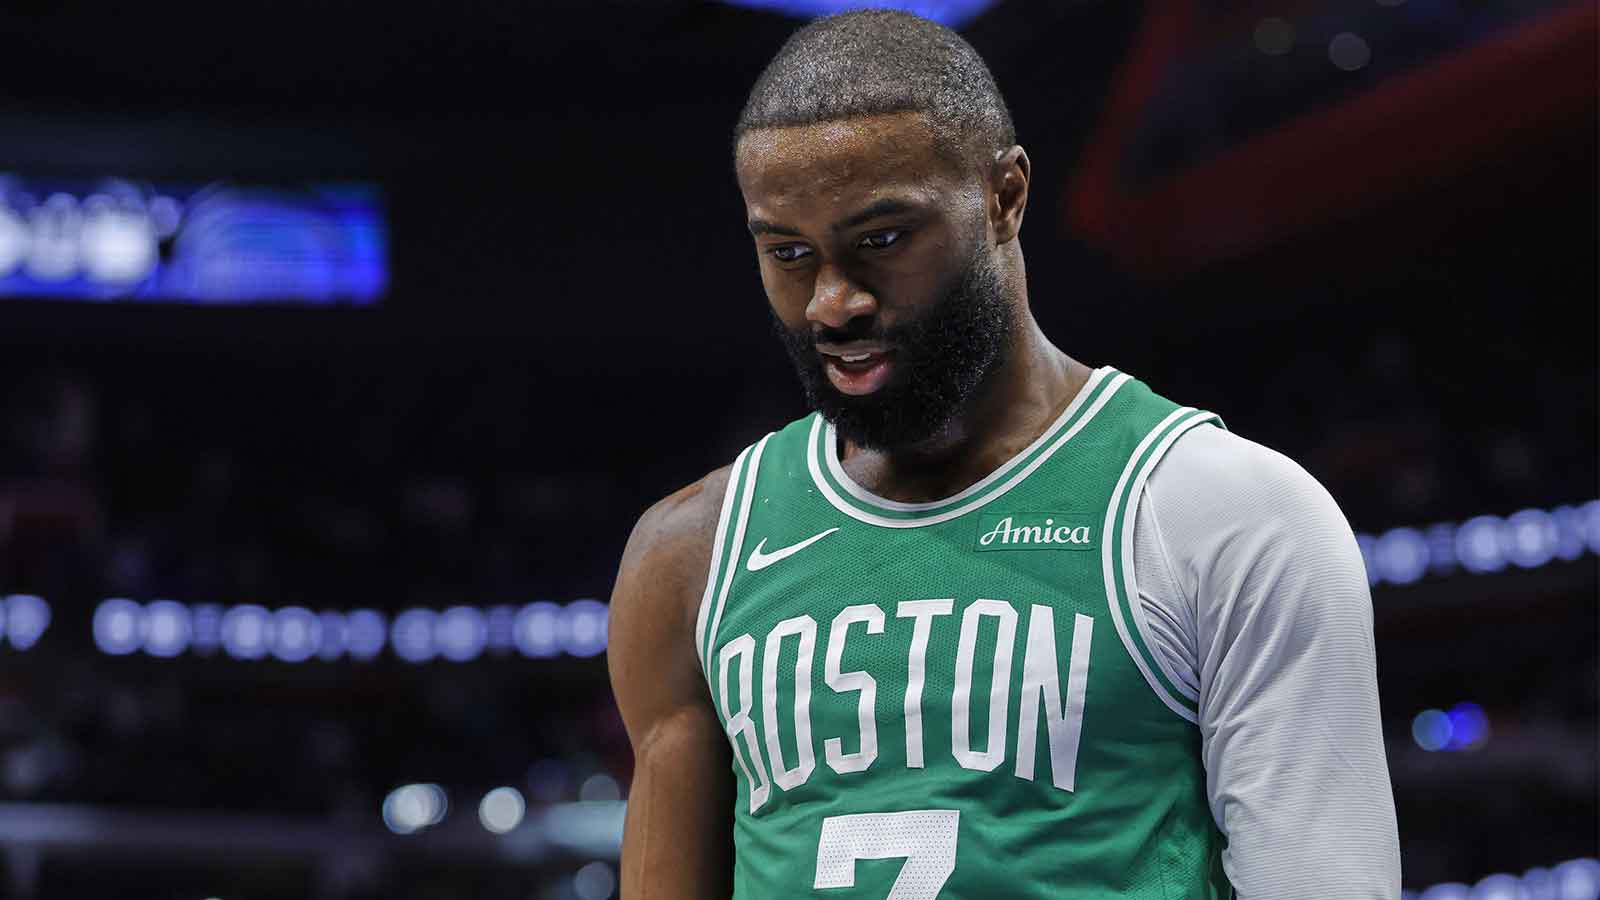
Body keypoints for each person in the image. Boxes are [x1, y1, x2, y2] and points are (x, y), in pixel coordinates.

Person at [607, 10, 1399, 899]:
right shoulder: (691, 555)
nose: (832, 301)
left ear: (1004, 197)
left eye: (882, 239)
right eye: (789, 253)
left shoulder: (1225, 513)